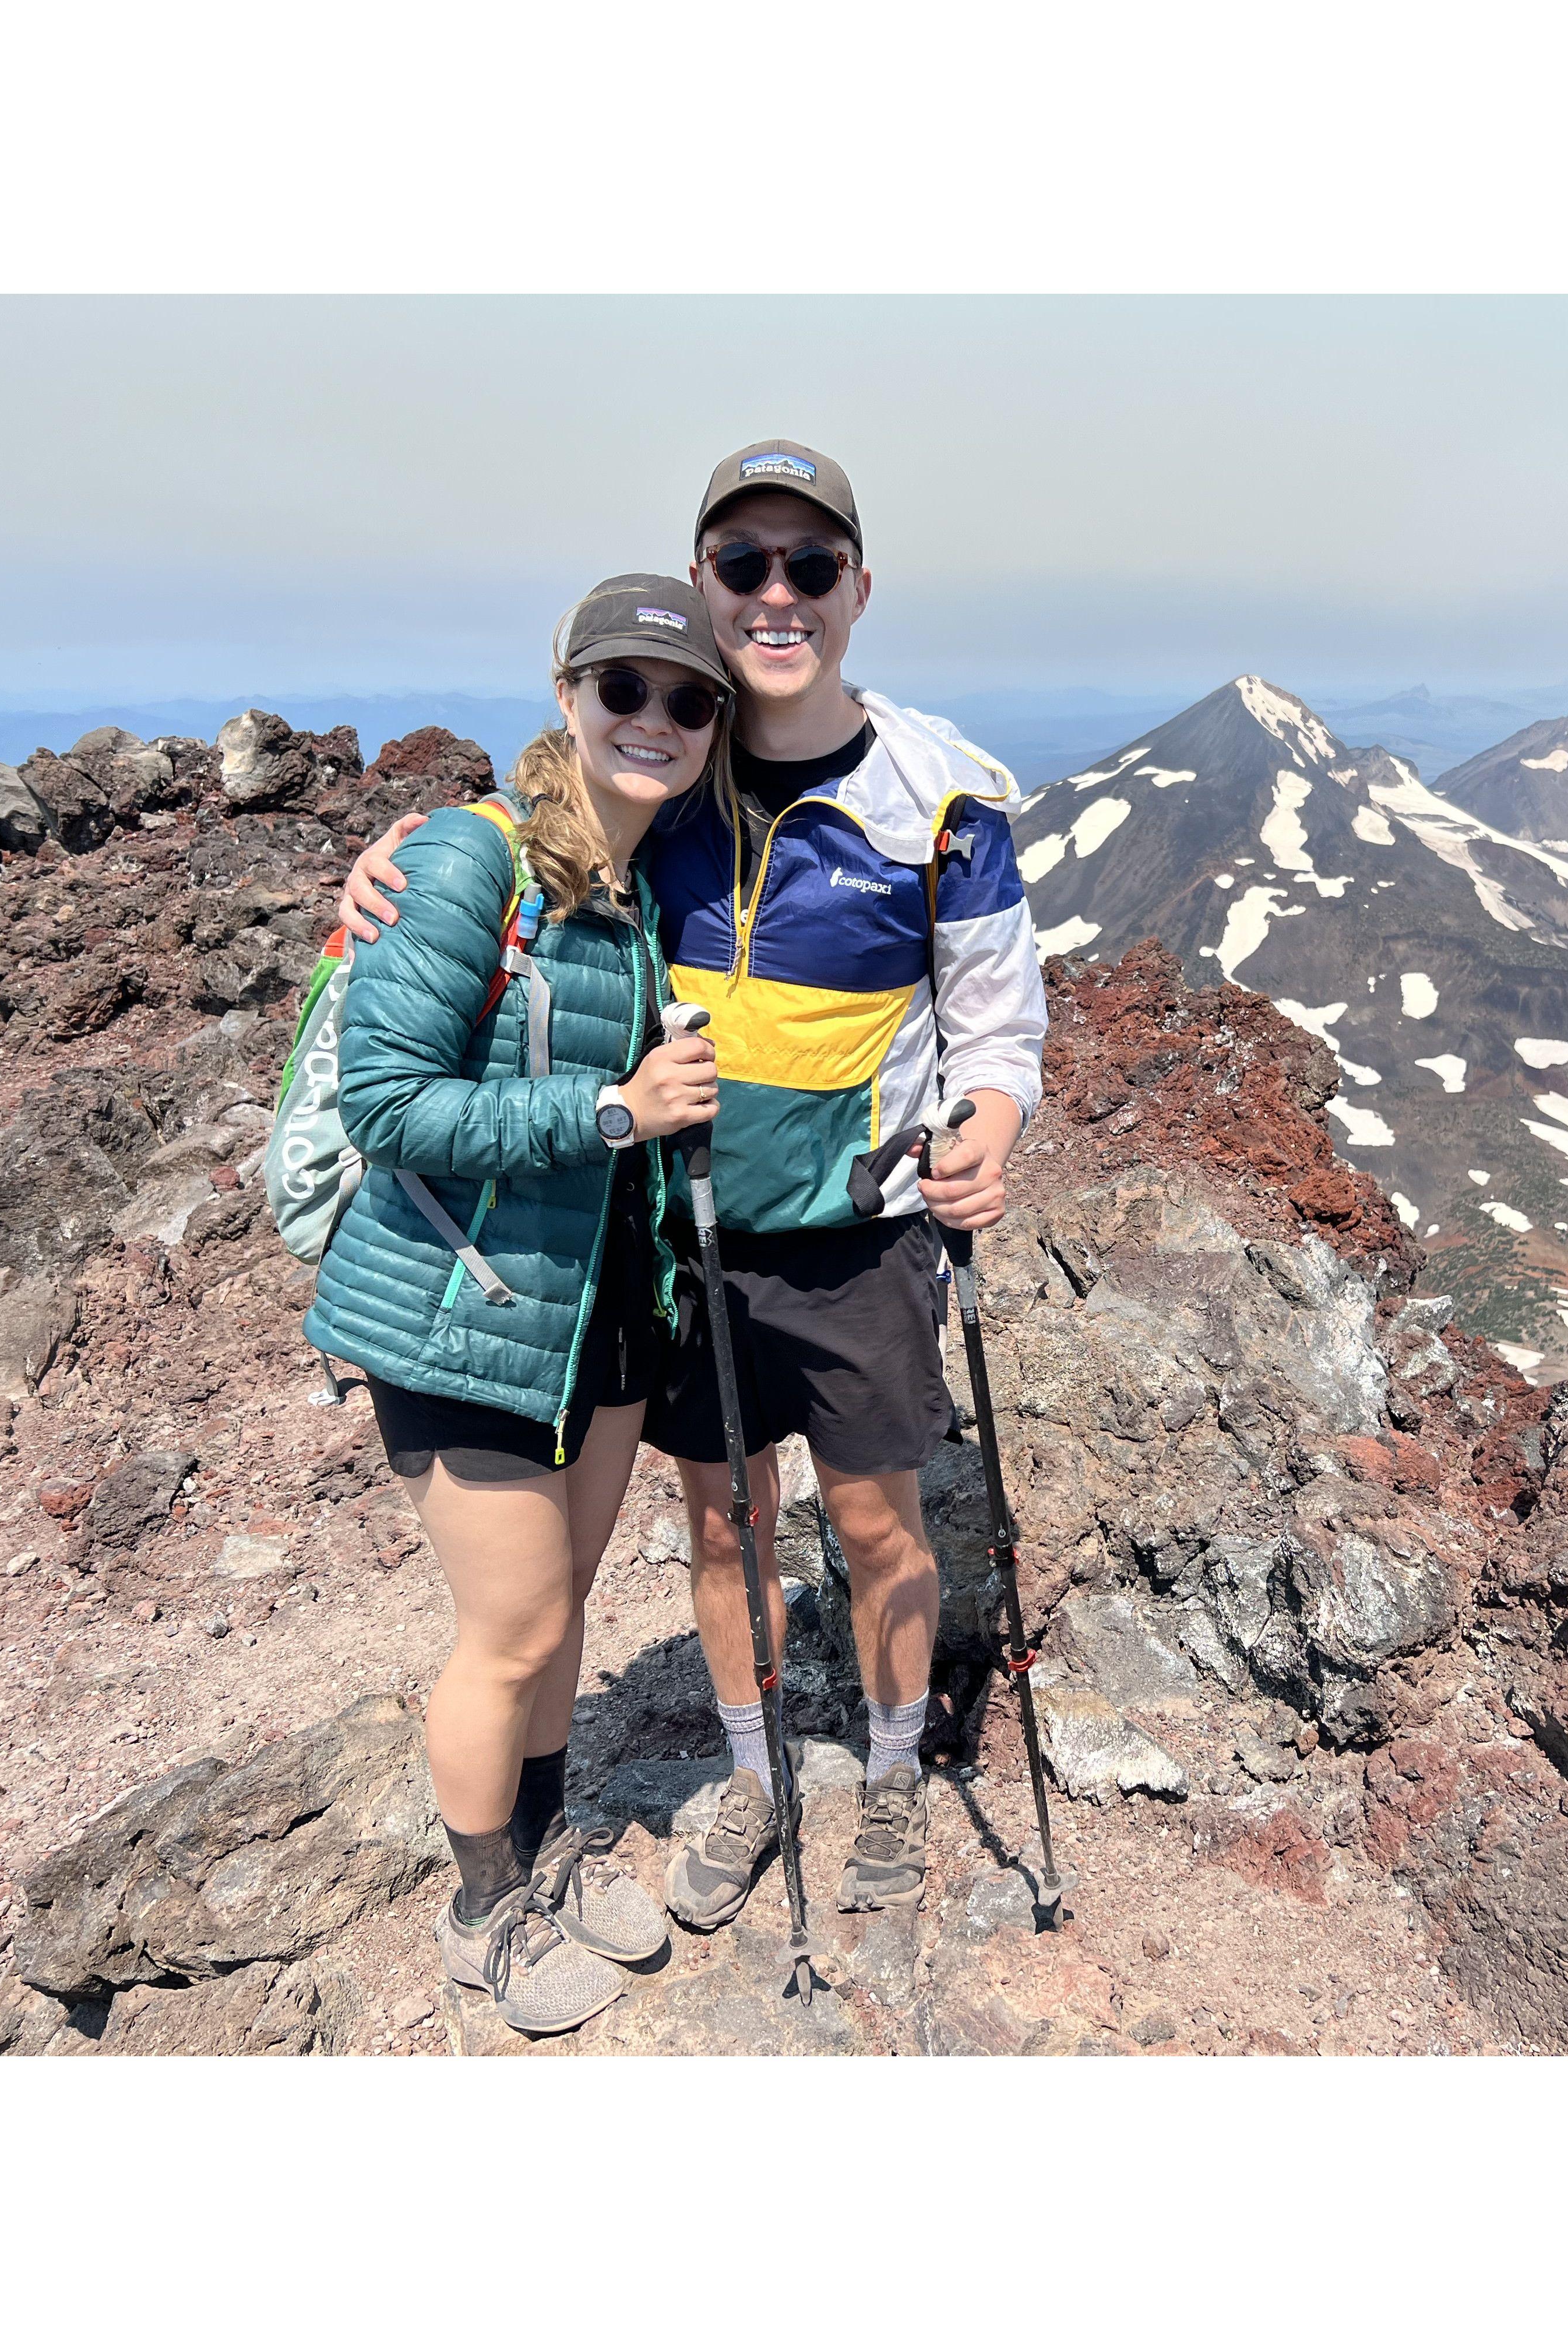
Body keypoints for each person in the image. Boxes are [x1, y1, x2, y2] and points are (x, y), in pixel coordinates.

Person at [336, 441, 1046, 1929]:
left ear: (858, 588)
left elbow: (996, 1020)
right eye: (742, 566)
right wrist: (391, 863)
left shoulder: (942, 796)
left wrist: (990, 1119)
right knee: (723, 1525)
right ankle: (752, 1775)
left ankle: (897, 1773)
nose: (774, 593)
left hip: (860, 1241)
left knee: (876, 1526)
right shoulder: (674, 768)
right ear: (709, 589)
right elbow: (538, 834)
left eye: (807, 566)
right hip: (687, 1235)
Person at [305, 576, 729, 2035]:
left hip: (596, 1318)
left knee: (555, 1631)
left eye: (687, 701)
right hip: (459, 1308)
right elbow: (387, 1103)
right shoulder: (469, 862)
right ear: (567, 694)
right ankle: (479, 1913)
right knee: (514, 1628)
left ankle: (541, 1859)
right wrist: (616, 1113)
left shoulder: (639, 886)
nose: (655, 721)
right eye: (626, 690)